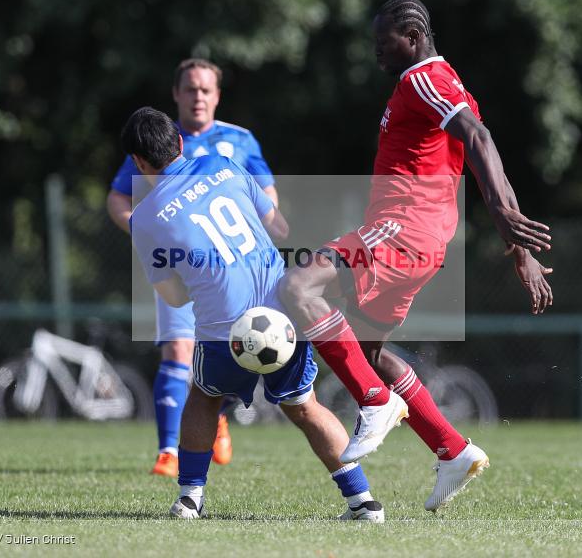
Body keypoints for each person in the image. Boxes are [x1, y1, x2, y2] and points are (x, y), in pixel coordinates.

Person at [279, 0, 554, 512]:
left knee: (299, 286)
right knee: (370, 348)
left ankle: (374, 402)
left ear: (413, 37)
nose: (377, 53)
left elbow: (479, 138)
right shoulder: (444, 85)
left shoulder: (422, 79)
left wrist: (500, 218)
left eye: (384, 43)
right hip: (423, 239)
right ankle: (451, 448)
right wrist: (517, 246)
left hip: (401, 229)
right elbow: (480, 148)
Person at [125, 106, 386, 521]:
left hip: (223, 331)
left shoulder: (144, 219)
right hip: (282, 315)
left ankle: (190, 497)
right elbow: (279, 228)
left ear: (138, 162)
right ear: (179, 143)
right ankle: (363, 502)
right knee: (304, 405)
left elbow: (172, 297)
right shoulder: (223, 165)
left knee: (205, 397)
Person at [106, 58, 279, 477]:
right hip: (182, 268)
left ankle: (215, 414)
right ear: (177, 94)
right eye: (190, 89)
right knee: (179, 349)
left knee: (245, 348)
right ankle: (169, 451)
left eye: (206, 89)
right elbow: (117, 199)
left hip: (231, 270)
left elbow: (268, 201)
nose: (198, 96)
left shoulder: (238, 142)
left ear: (217, 96)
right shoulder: (157, 141)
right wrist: (150, 235)